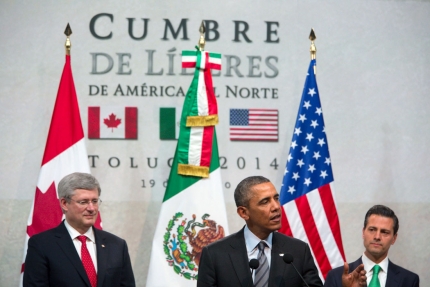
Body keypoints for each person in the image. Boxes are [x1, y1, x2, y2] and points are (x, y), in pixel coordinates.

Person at [197, 176, 366, 287]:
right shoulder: (215, 255)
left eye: (276, 199)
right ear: (243, 212)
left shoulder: (298, 251)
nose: (276, 207)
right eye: (265, 202)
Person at [24, 172, 135, 287]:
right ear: (64, 203)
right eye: (83, 202)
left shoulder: (117, 245)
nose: (91, 208)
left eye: (95, 201)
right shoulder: (42, 245)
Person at [324, 204, 419, 287]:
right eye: (372, 229)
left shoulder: (409, 280)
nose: (377, 236)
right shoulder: (336, 277)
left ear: (394, 238)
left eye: (385, 232)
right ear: (363, 232)